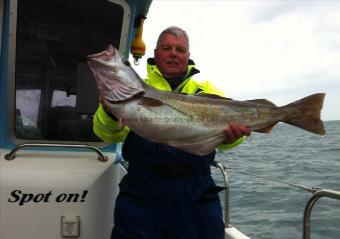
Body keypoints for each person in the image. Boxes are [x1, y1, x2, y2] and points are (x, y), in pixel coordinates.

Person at [93, 26, 250, 239]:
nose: (173, 53)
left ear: (188, 56)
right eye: (167, 48)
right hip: (142, 193)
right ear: (156, 53)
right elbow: (108, 136)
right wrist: (111, 114)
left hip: (195, 194)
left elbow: (227, 144)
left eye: (180, 49)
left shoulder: (208, 92)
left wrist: (232, 137)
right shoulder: (137, 88)